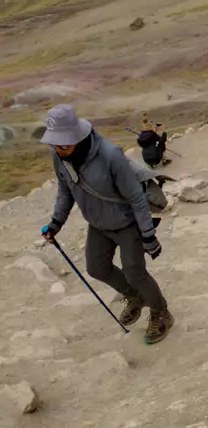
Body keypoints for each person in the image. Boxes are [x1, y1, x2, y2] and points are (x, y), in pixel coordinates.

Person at [39, 105, 173, 345]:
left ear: (77, 137)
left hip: (127, 222)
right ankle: (135, 298)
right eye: (55, 144)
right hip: (98, 224)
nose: (59, 150)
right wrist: (56, 222)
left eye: (63, 144)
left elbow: (135, 197)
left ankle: (161, 311)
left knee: (135, 272)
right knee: (96, 268)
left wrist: (148, 236)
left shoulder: (110, 156)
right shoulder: (59, 156)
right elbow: (65, 190)